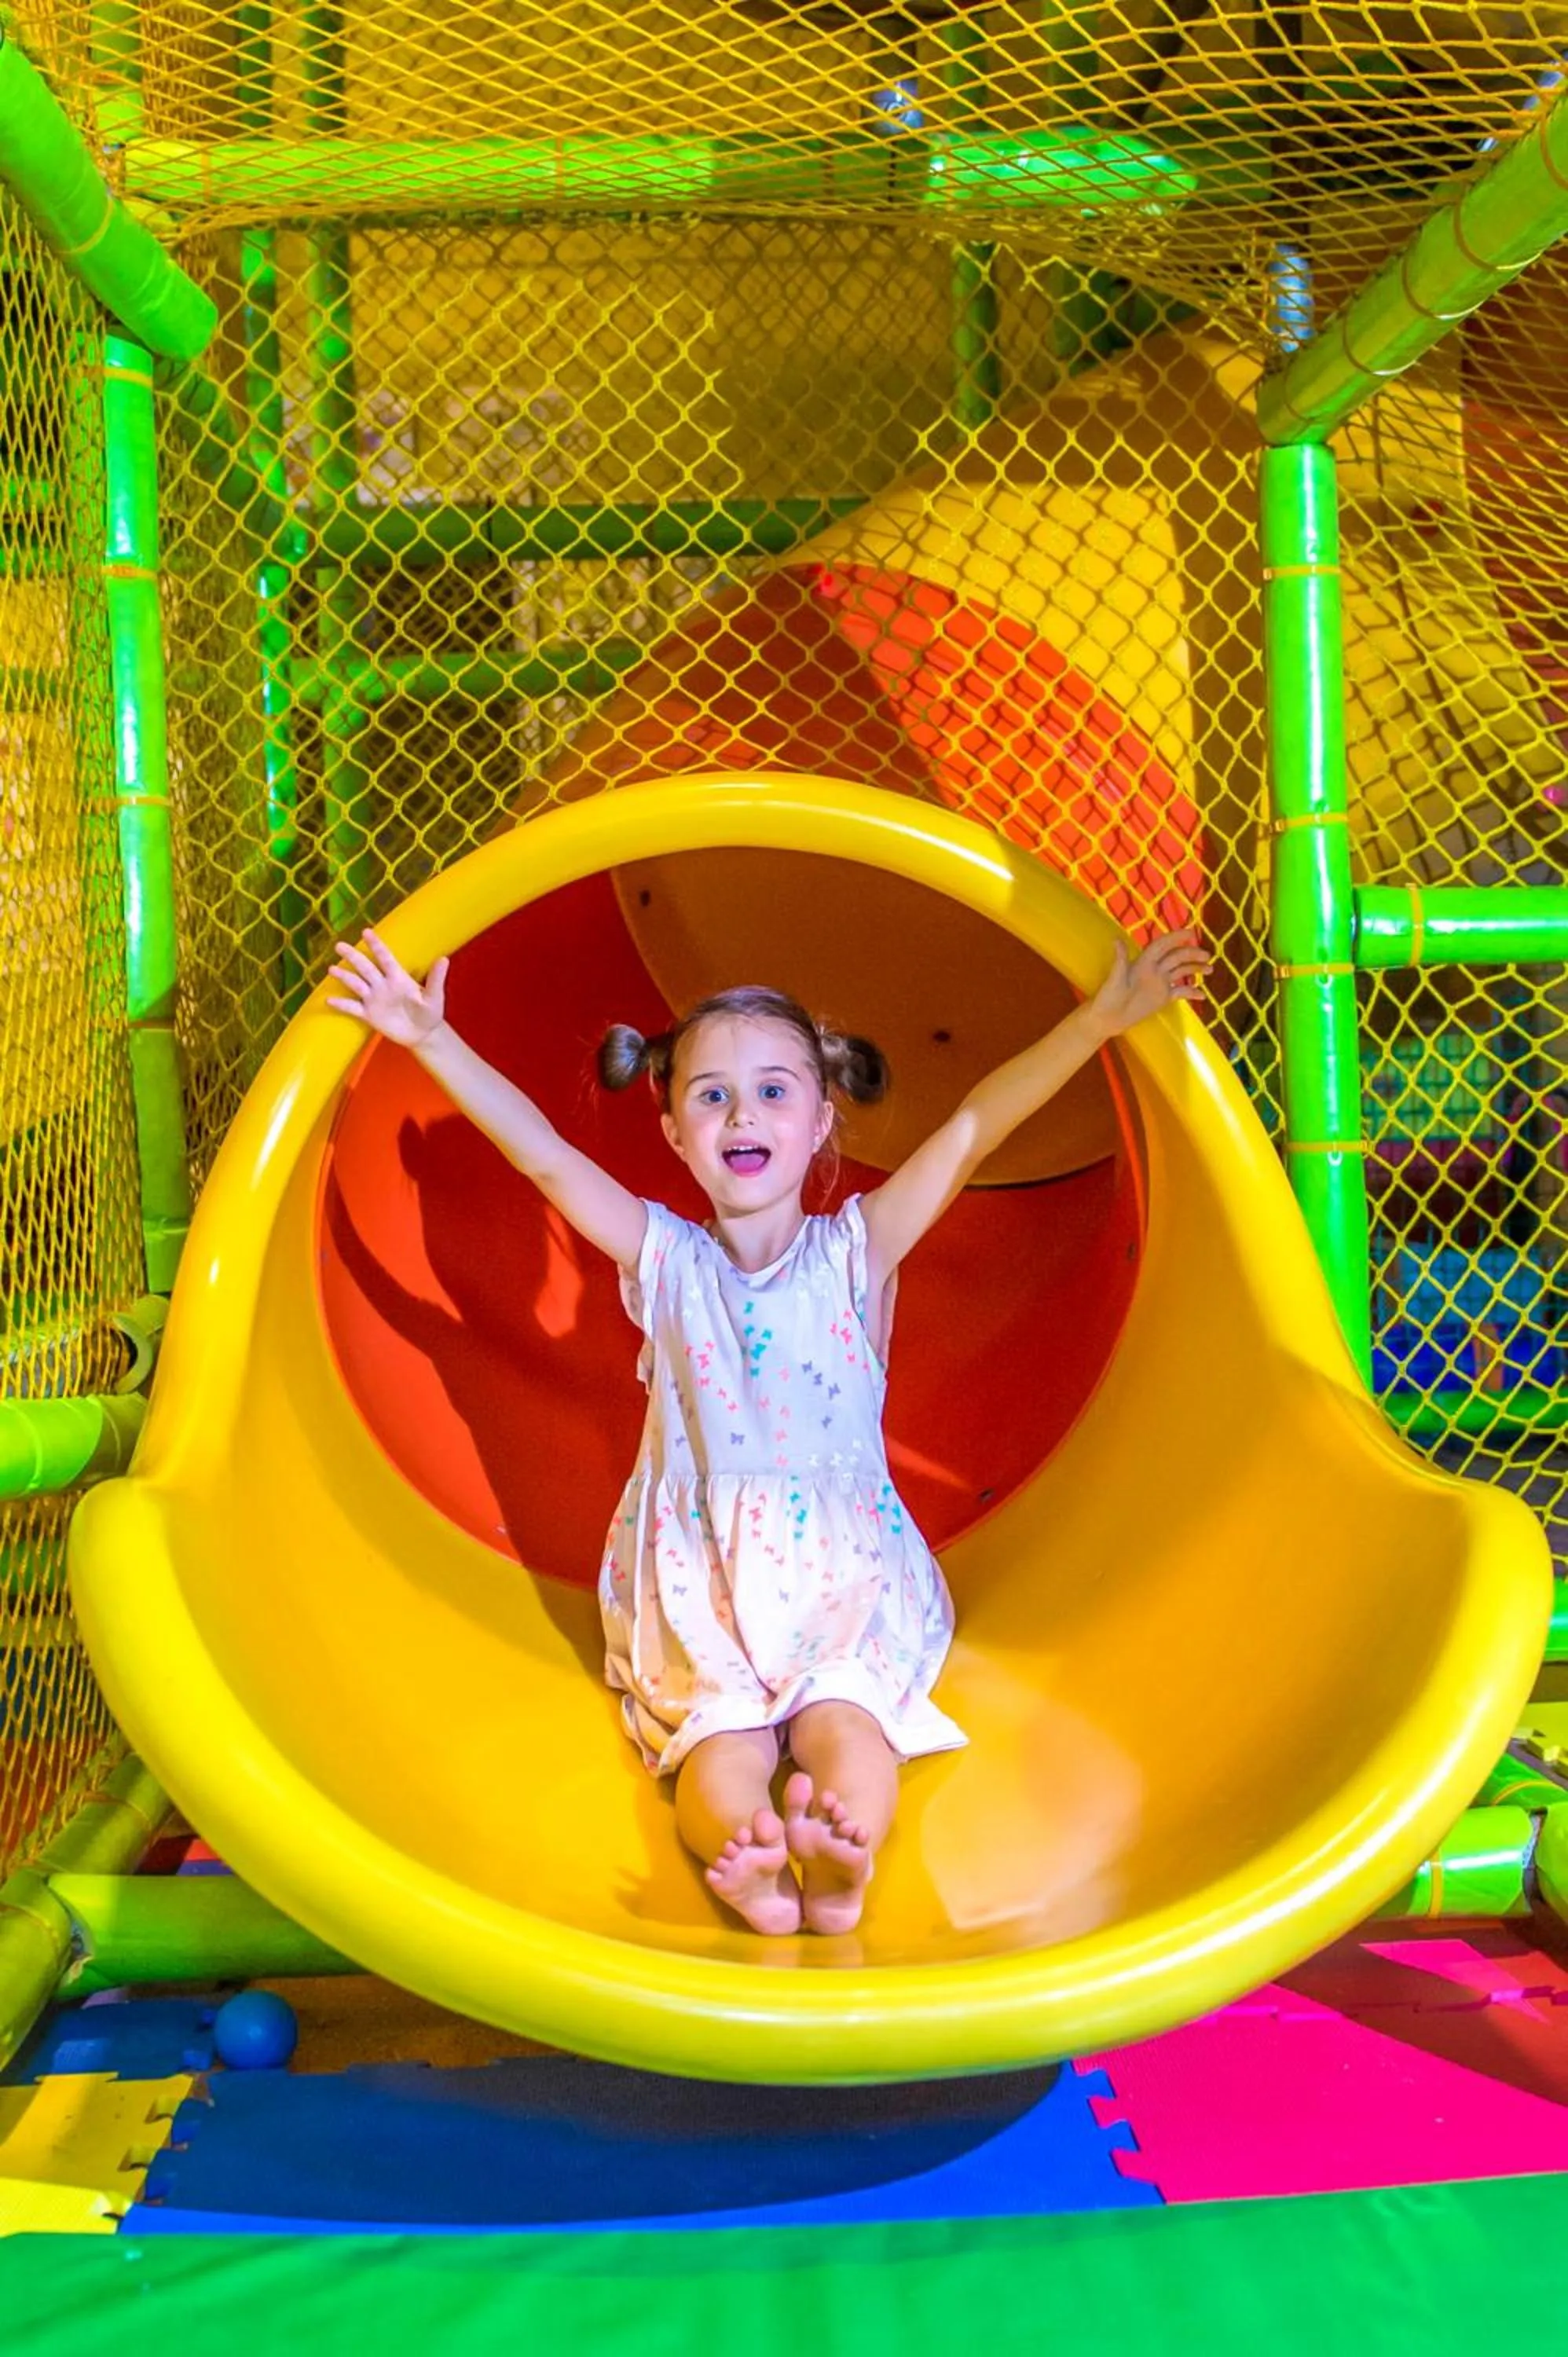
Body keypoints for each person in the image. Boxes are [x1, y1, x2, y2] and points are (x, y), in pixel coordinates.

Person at [327, 920, 1207, 1936]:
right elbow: (548, 1162)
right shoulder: (663, 1259)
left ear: (824, 1119)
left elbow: (973, 1130)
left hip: (841, 1577)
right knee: (719, 1748)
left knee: (849, 1728)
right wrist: (429, 1039)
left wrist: (1105, 1015)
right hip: (701, 1582)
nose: (742, 1112)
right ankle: (745, 1854)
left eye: (774, 1091)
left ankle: (841, 1857)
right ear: (672, 1132)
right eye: (711, 1095)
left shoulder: (857, 1253)